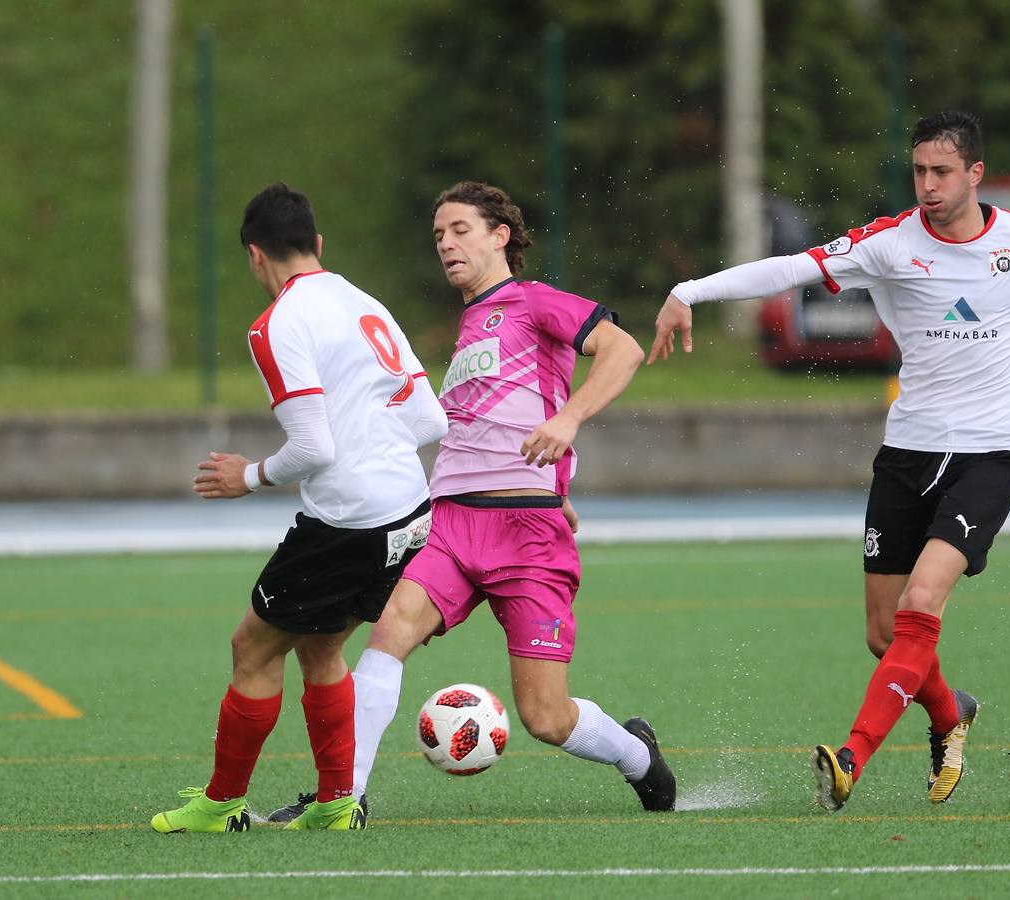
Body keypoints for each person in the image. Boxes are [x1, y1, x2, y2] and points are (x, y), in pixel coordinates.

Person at [649, 111, 1010, 811]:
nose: (927, 185)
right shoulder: (889, 243)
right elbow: (790, 266)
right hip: (907, 454)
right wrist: (690, 291)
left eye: (941, 172)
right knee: (882, 633)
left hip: (991, 456)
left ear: (974, 174)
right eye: (919, 171)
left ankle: (850, 759)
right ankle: (947, 714)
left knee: (922, 603)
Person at [345, 180, 676, 814]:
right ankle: (345, 798)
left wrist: (571, 422)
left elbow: (624, 349)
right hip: (453, 526)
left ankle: (637, 754)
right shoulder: (470, 326)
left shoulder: (533, 301)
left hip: (525, 536)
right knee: (388, 634)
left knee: (545, 717)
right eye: (438, 235)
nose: (446, 243)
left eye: (460, 230)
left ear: (501, 236)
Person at [150, 183, 447, 833]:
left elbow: (313, 446)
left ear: (255, 256)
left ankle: (221, 804)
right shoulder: (363, 300)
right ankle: (337, 802)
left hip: (347, 521)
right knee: (320, 649)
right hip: (408, 512)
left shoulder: (278, 323)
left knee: (252, 648)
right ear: (317, 245)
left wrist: (247, 476)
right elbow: (429, 418)